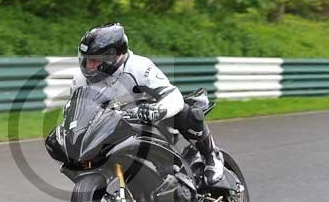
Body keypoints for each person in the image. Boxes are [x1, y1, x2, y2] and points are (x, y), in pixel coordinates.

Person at [71, 22, 225, 186]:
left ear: (113, 56)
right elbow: (77, 113)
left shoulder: (139, 67)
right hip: (115, 127)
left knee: (187, 113)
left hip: (152, 120)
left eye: (94, 60)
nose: (88, 66)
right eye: (86, 59)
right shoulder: (80, 80)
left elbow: (173, 95)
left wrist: (156, 110)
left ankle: (211, 155)